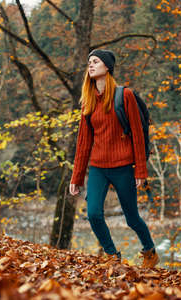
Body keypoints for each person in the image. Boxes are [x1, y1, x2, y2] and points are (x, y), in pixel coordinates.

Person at [69, 49, 159, 268]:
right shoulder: (88, 102)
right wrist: (76, 177)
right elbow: (83, 143)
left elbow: (138, 134)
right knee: (93, 215)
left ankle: (149, 252)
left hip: (124, 168)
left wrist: (140, 170)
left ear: (107, 66)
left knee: (132, 218)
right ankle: (112, 256)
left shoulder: (124, 95)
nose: (90, 65)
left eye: (95, 61)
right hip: (98, 168)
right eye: (89, 62)